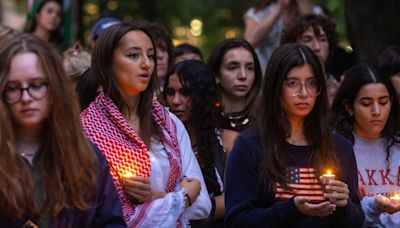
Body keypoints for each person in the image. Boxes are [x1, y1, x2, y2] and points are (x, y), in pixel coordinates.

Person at [80, 23, 211, 227]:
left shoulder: (168, 122)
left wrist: (155, 196)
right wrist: (182, 197)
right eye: (133, 55)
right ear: (107, 62)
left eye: (150, 56)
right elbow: (113, 213)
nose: (147, 64)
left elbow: (203, 203)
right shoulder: (87, 128)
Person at [225, 43, 364, 227]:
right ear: (275, 87)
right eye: (292, 83)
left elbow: (356, 222)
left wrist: (344, 205)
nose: (304, 93)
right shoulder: (250, 145)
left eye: (312, 83)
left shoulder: (340, 147)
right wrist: (291, 209)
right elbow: (237, 222)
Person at [0, 34, 125, 227]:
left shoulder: (87, 157)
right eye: (13, 88)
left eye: (36, 85)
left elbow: (112, 222)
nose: (26, 97)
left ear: (54, 87)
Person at [330, 63, 400, 227]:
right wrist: (372, 206)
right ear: (349, 107)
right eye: (367, 104)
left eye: (383, 102)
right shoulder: (336, 147)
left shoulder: (397, 143)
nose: (376, 111)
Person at [163, 60, 226, 226]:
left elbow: (239, 199)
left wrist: (199, 206)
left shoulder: (227, 142)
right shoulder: (158, 144)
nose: (176, 101)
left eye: (185, 93)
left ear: (202, 96)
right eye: (170, 92)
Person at [281, 14, 357, 104]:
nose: (317, 47)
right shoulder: (282, 87)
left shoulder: (342, 87)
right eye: (307, 40)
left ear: (330, 45)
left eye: (322, 39)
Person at [244, 0, 324, 73]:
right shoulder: (258, 12)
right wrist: (279, 7)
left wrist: (305, 6)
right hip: (266, 77)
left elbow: (316, 38)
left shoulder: (315, 11)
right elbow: (250, 42)